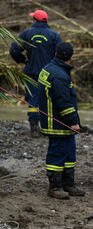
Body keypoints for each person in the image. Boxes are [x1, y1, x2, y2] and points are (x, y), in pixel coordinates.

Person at [38, 42, 84, 200]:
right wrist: (73, 121)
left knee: (70, 154)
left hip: (58, 122)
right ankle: (55, 187)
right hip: (57, 123)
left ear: (56, 54)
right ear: (71, 58)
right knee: (57, 154)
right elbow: (63, 102)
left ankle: (68, 184)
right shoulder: (59, 75)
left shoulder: (50, 68)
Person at [10, 10, 63, 138]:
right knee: (50, 99)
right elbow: (61, 54)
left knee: (33, 99)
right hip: (50, 74)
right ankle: (49, 127)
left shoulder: (27, 34)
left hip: (32, 73)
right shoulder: (54, 35)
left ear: (34, 20)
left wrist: (22, 60)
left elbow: (13, 49)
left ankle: (34, 128)